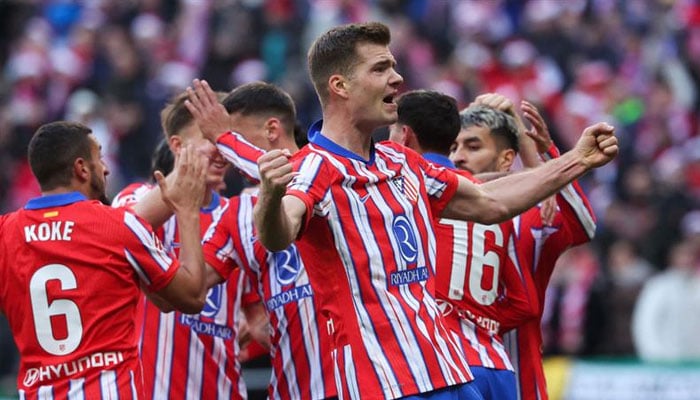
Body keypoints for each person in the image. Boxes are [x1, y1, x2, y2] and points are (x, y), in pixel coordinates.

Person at [250, 21, 617, 399]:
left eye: (392, 65)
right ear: (340, 86)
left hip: (450, 370)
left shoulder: (401, 160)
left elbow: (490, 202)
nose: (397, 78)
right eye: (379, 69)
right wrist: (271, 197)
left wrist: (577, 159)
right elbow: (279, 233)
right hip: (385, 382)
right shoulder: (316, 168)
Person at [0, 121, 208, 398]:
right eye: (99, 157)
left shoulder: (5, 234)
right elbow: (192, 296)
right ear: (81, 168)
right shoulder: (118, 225)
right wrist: (188, 210)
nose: (106, 168)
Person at [112, 91, 270, 400]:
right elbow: (119, 232)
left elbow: (258, 318)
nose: (221, 148)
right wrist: (183, 187)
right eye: (210, 138)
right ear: (177, 146)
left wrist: (250, 326)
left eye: (225, 138)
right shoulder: (135, 198)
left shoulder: (239, 216)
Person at [184, 81, 336, 399]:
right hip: (290, 388)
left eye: (234, 138)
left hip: (355, 383)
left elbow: (295, 176)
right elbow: (190, 287)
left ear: (272, 130)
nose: (223, 155)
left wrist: (224, 138)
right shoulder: (237, 212)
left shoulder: (325, 168)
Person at [388, 90, 538, 400]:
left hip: (441, 363)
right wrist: (477, 319)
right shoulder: (492, 204)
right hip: (496, 366)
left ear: (404, 135)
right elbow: (526, 304)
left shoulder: (402, 191)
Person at [451, 98, 598, 400]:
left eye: (473, 147)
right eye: (453, 148)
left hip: (518, 381)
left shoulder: (532, 216)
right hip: (451, 375)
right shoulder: (434, 208)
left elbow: (584, 225)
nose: (458, 157)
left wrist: (545, 159)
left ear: (506, 160)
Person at [632, 239, 700, 362]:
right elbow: (646, 323)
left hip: (694, 362)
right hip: (665, 362)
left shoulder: (696, 285)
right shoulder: (659, 286)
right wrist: (654, 355)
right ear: (673, 258)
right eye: (683, 255)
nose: (687, 260)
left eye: (691, 255)